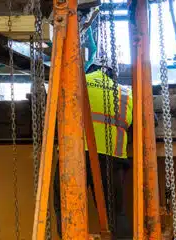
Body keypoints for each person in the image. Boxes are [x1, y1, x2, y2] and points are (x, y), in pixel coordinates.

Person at [54, 63, 133, 238]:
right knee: (116, 213)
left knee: (65, 207)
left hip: (75, 155)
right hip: (112, 158)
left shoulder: (73, 84)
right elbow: (148, 121)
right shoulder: (125, 93)